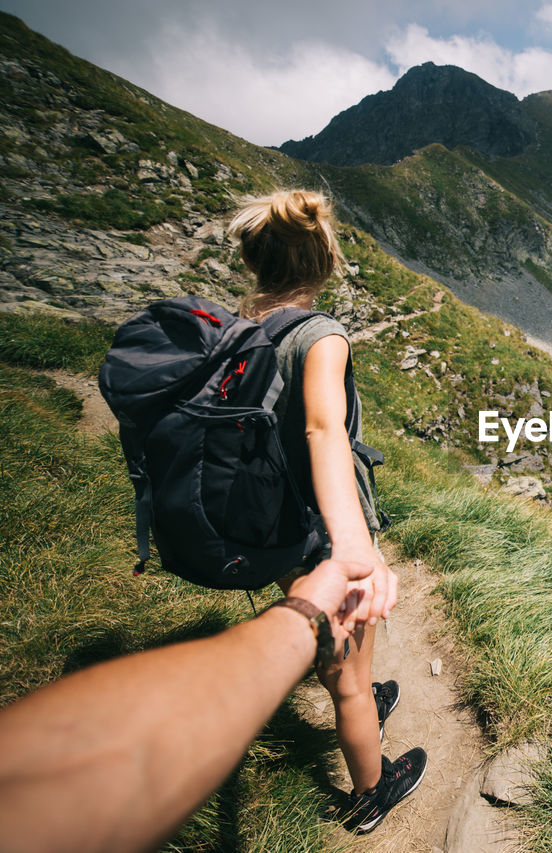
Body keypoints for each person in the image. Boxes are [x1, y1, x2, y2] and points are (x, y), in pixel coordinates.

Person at [229, 189, 425, 833]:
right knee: (347, 670)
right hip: (322, 525)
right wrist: (354, 545)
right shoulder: (321, 337)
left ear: (257, 262)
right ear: (325, 260)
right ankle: (372, 790)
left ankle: (361, 691)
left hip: (274, 518)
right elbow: (323, 430)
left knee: (338, 649)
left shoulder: (240, 330)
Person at [0, 558, 376, 853]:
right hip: (319, 567)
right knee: (353, 685)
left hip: (268, 539)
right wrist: (309, 618)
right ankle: (371, 797)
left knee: (346, 678)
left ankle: (360, 706)